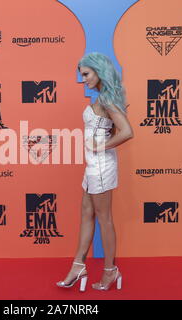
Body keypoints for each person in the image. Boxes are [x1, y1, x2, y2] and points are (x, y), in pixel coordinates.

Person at [56, 52, 133, 291]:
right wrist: (101, 142)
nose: (83, 79)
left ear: (99, 71)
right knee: (86, 215)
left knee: (104, 219)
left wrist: (101, 146)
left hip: (100, 167)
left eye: (86, 74)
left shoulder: (107, 100)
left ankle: (110, 271)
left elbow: (127, 131)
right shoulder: (103, 98)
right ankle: (78, 266)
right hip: (93, 166)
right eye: (82, 75)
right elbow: (111, 129)